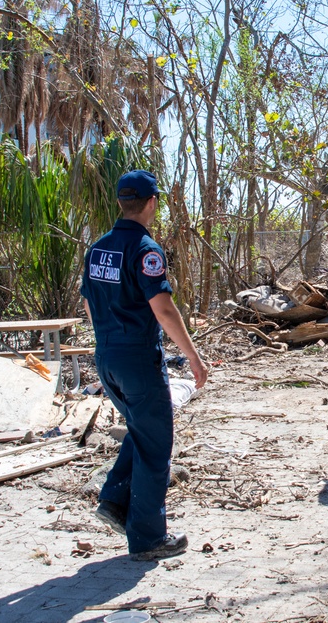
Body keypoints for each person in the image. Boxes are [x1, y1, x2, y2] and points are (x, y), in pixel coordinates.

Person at [80, 169, 207, 561]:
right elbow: (164, 309)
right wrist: (193, 357)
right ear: (152, 203)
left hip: (106, 355)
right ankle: (149, 538)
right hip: (137, 358)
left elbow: (87, 302)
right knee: (156, 444)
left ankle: (114, 500)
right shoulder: (146, 249)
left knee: (142, 429)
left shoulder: (98, 248)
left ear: (121, 202)